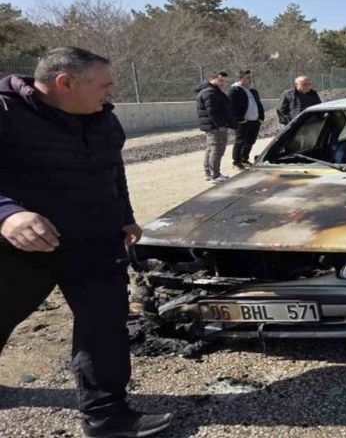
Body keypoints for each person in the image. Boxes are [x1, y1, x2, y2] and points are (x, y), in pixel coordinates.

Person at [0, 47, 173, 437]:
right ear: (65, 83)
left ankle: (106, 416)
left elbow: (114, 171)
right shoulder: (5, 113)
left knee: (105, 327)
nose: (110, 94)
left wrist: (124, 215)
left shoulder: (103, 119)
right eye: (104, 85)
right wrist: (7, 213)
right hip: (21, 250)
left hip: (94, 242)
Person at [196, 71, 235, 182]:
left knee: (211, 150)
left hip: (213, 126)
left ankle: (209, 173)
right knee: (217, 150)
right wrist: (220, 125)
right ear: (212, 79)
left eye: (225, 81)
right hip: (215, 127)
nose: (223, 83)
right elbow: (212, 112)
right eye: (221, 80)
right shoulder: (210, 93)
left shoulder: (213, 91)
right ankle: (215, 175)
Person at [226, 70, 264, 169]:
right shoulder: (234, 90)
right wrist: (240, 119)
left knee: (250, 141)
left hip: (255, 121)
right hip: (243, 122)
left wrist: (261, 118)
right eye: (247, 78)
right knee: (240, 142)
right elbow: (231, 107)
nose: (250, 79)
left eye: (250, 77)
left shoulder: (253, 91)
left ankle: (244, 159)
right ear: (240, 78)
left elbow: (258, 104)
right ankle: (236, 162)